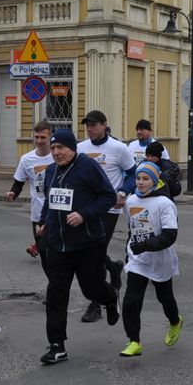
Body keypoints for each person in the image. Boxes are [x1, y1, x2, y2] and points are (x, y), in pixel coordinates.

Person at [36, 129, 121, 364]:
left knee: (91, 289)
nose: (55, 152)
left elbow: (108, 197)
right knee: (56, 294)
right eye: (53, 149)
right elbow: (50, 200)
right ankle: (57, 345)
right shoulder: (51, 170)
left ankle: (110, 297)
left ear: (73, 148)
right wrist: (43, 221)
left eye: (60, 147)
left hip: (87, 243)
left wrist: (84, 214)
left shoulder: (88, 166)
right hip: (58, 245)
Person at [117, 161, 183, 358]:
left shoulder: (164, 204)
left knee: (165, 298)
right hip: (138, 258)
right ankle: (134, 341)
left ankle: (175, 321)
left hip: (160, 258)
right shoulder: (130, 202)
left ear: (154, 181)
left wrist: (145, 245)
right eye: (138, 178)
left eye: (145, 179)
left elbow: (170, 235)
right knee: (131, 301)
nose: (140, 182)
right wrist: (131, 249)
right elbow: (133, 229)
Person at [78, 110, 136, 319]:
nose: (90, 129)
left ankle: (95, 303)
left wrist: (122, 192)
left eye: (94, 125)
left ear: (104, 125)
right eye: (87, 126)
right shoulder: (80, 148)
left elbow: (132, 174)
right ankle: (113, 267)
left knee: (95, 252)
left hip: (108, 207)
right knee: (91, 250)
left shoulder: (119, 148)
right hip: (85, 208)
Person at [5, 122, 53, 268]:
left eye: (43, 137)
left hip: (57, 210)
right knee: (43, 252)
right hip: (37, 213)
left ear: (51, 136)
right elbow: (19, 182)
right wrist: (13, 193)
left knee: (55, 254)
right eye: (36, 137)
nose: (39, 141)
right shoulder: (26, 159)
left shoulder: (58, 155)